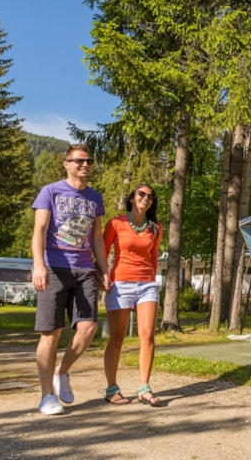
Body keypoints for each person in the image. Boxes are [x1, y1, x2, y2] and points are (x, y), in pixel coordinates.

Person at [32, 144, 111, 415]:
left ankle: (62, 372)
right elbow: (40, 230)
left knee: (87, 329)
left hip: (85, 270)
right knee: (51, 334)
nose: (85, 165)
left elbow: (97, 238)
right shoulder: (50, 191)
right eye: (79, 161)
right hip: (54, 267)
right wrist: (38, 265)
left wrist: (104, 268)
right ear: (66, 164)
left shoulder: (95, 197)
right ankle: (46, 396)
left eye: (88, 160)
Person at [102, 184, 163, 406]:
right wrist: (104, 275)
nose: (145, 198)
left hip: (146, 285)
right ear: (132, 198)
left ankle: (144, 388)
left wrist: (151, 277)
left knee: (147, 335)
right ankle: (111, 388)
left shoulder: (155, 227)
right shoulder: (116, 223)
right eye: (141, 194)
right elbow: (103, 250)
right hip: (120, 284)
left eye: (150, 196)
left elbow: (154, 256)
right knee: (116, 338)